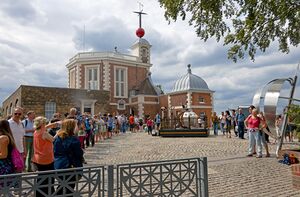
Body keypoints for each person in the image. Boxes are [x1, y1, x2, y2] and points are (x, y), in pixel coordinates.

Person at [54, 119, 83, 195]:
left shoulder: (58, 137)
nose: (77, 127)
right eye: (76, 125)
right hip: (70, 167)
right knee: (68, 189)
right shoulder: (73, 139)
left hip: (58, 165)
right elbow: (78, 154)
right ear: (71, 127)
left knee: (62, 187)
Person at [31, 116, 56, 196]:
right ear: (42, 124)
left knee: (41, 177)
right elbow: (53, 139)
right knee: (49, 178)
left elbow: (43, 128)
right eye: (45, 123)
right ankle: (48, 193)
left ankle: (39, 193)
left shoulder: (36, 132)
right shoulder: (44, 133)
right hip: (46, 158)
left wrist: (51, 125)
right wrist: (58, 133)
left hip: (38, 158)